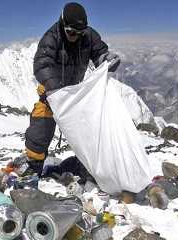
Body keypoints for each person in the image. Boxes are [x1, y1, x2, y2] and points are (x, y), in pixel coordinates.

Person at [14, 2, 120, 175]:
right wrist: (55, 90)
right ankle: (34, 168)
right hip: (51, 94)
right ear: (63, 25)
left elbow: (99, 53)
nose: (75, 36)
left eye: (79, 32)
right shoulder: (51, 38)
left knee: (90, 130)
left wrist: (107, 59)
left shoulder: (88, 36)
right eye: (71, 32)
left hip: (75, 95)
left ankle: (88, 167)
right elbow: (42, 65)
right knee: (40, 129)